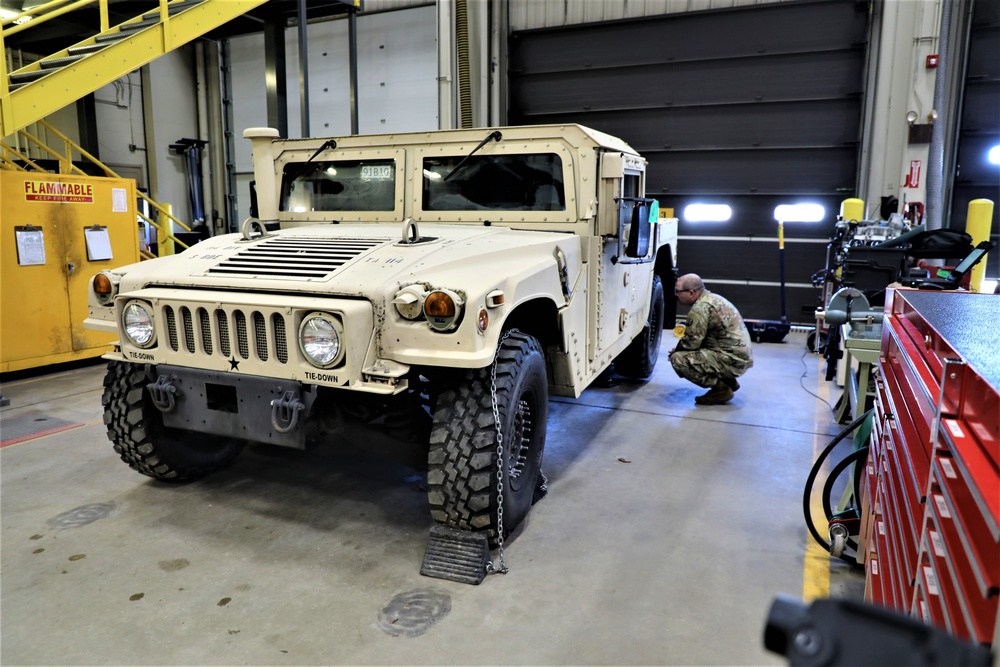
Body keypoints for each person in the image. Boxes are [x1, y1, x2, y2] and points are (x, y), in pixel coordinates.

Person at [668, 273, 753, 405]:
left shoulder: (699, 309)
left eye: (678, 291)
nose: (675, 294)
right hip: (738, 356)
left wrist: (675, 351)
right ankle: (729, 381)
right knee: (694, 351)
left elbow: (691, 342)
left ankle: (721, 389)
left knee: (679, 359)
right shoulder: (714, 298)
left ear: (691, 292)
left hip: (732, 359)